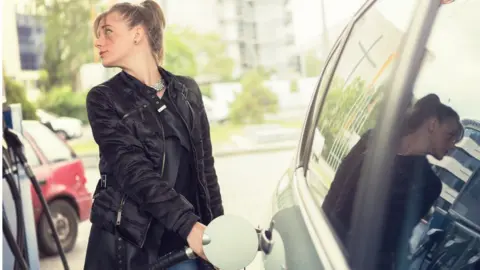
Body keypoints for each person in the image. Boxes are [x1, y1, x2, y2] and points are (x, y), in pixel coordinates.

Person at [83, 1, 223, 270]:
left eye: (108, 32)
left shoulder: (186, 91)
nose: (98, 42)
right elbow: (133, 171)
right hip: (132, 247)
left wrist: (219, 232)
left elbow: (206, 172)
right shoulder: (103, 99)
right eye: (97, 35)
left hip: (187, 246)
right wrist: (190, 227)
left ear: (137, 34)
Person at [322, 94, 463, 269]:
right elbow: (335, 193)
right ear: (433, 124)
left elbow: (391, 241)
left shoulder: (429, 185)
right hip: (325, 243)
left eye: (455, 141)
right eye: (450, 136)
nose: (452, 146)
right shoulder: (373, 140)